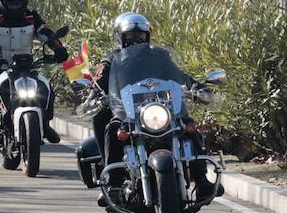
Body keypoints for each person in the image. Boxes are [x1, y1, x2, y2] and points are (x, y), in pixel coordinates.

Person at [89, 13, 217, 202]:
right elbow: (99, 82)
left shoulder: (160, 56)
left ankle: (202, 180)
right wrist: (94, 94)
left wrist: (197, 88)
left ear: (147, 35)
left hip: (161, 108)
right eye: (130, 36)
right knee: (113, 128)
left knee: (188, 127)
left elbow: (179, 75)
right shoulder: (111, 61)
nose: (136, 40)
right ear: (120, 37)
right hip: (129, 112)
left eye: (140, 35)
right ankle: (113, 182)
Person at [0, 0, 68, 149]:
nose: (14, 6)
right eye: (10, 2)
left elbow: (46, 33)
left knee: (46, 88)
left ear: (25, 2)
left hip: (26, 67)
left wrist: (59, 49)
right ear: (3, 1)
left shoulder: (32, 17)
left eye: (18, 3)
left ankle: (45, 124)